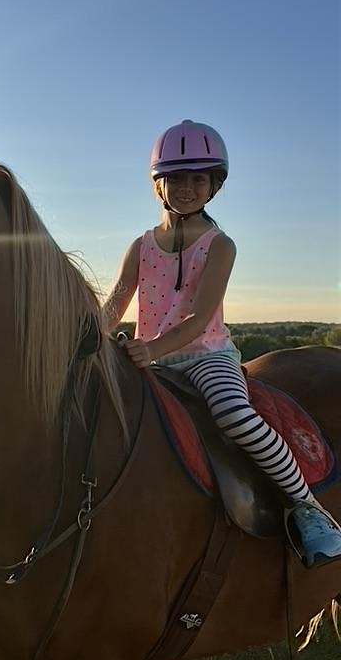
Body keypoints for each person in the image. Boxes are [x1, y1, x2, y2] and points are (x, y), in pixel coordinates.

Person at [103, 119, 341, 568]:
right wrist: (88, 334)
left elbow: (198, 317)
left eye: (198, 179)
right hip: (148, 360)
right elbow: (117, 299)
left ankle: (306, 506)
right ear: (159, 185)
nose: (187, 188)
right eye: (175, 177)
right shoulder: (140, 246)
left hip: (204, 355)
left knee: (234, 416)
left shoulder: (220, 245)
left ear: (214, 185)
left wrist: (152, 349)